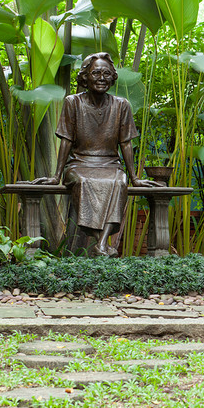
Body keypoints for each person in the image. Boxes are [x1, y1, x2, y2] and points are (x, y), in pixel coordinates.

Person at [32, 52, 161, 256]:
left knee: (119, 182)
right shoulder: (72, 102)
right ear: (85, 77)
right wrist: (57, 175)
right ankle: (101, 245)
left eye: (107, 73)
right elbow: (66, 140)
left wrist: (135, 178)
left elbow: (126, 144)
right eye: (96, 73)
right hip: (79, 164)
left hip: (110, 164)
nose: (102, 78)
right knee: (83, 181)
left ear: (113, 77)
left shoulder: (121, 105)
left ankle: (100, 245)